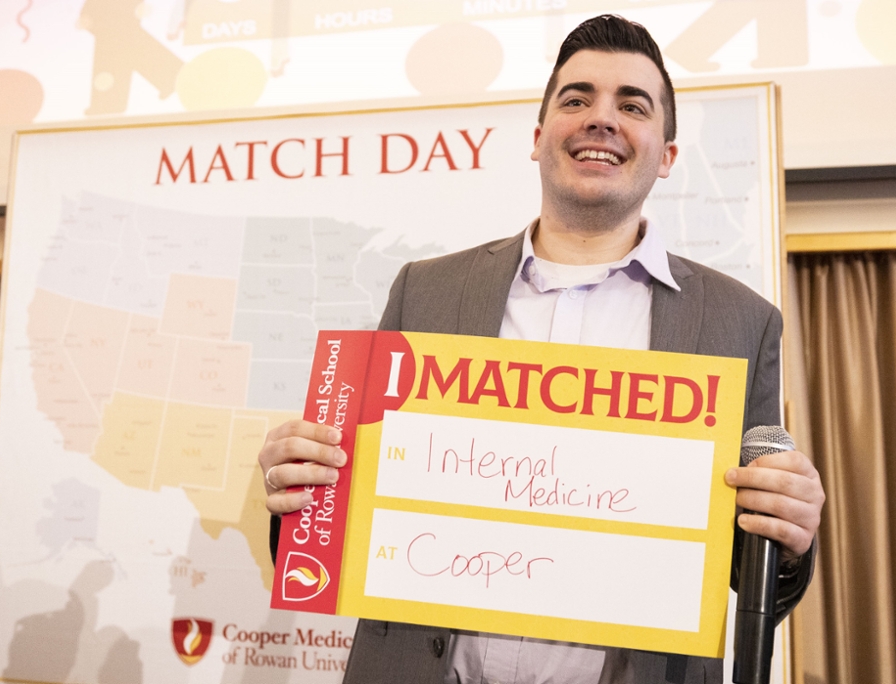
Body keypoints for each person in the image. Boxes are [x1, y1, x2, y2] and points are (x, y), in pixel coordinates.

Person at [258, 15, 825, 684]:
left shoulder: (740, 323)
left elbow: (743, 568)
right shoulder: (427, 293)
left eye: (632, 106)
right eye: (577, 99)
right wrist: (300, 486)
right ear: (537, 139)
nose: (601, 119)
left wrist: (786, 534)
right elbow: (350, 520)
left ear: (667, 156)